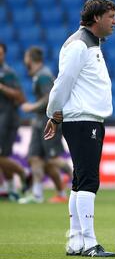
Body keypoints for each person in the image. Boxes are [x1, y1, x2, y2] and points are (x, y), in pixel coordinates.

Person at [44, 0, 115, 257]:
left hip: (87, 119)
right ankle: (90, 243)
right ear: (96, 18)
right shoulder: (79, 45)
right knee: (88, 180)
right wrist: (53, 114)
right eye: (111, 16)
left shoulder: (89, 44)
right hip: (83, 120)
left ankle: (76, 241)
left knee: (79, 181)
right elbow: (62, 82)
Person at [18, 46, 71, 204]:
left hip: (48, 121)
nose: (24, 61)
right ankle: (37, 195)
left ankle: (78, 178)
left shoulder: (43, 76)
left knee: (53, 159)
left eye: (26, 58)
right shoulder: (39, 75)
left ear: (31, 59)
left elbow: (49, 98)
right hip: (39, 122)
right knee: (35, 158)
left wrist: (31, 107)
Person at [0, 42, 30, 201]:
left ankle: (23, 173)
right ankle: (9, 189)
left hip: (8, 119)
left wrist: (2, 87)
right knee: (3, 155)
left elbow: (20, 97)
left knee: (1, 156)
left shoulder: (8, 73)